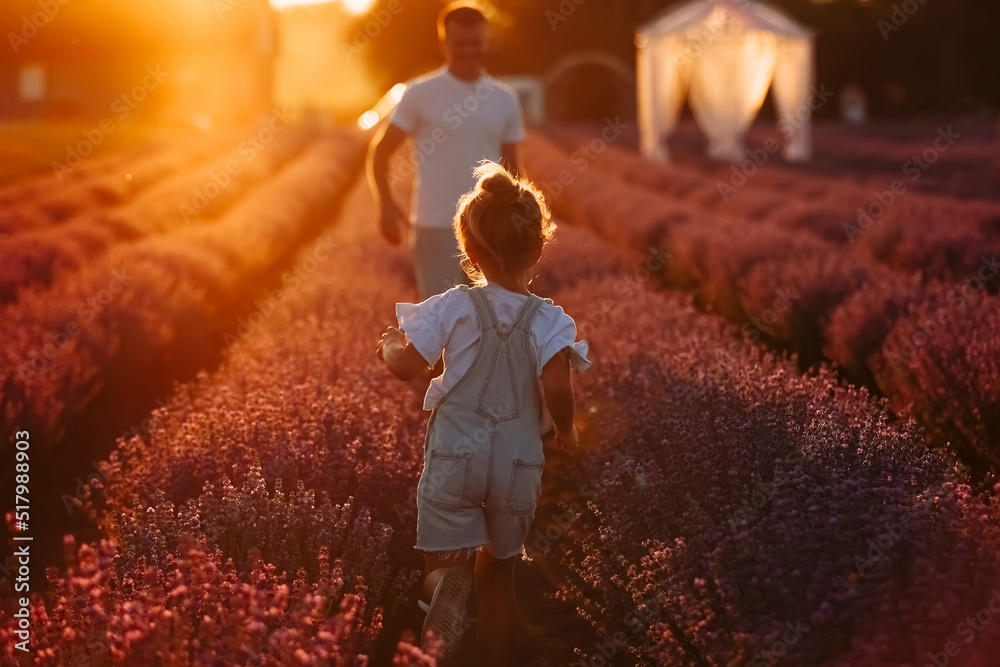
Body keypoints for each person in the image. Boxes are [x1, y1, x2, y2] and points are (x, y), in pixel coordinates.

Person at [376, 161, 591, 665]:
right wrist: (565, 428)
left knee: (444, 559)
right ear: (538, 247)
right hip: (515, 462)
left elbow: (409, 366)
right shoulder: (551, 319)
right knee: (499, 577)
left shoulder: (454, 305)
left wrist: (389, 346)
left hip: (456, 453)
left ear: (468, 251)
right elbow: (557, 384)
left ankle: (444, 591)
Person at [367, 2, 527, 302]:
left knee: (492, 325)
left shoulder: (505, 99)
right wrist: (385, 204)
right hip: (434, 227)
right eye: (459, 44)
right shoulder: (419, 93)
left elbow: (514, 169)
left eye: (475, 42)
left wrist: (525, 223)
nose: (467, 50)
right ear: (443, 44)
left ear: (486, 41)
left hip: (491, 231)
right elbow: (380, 151)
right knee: (440, 322)